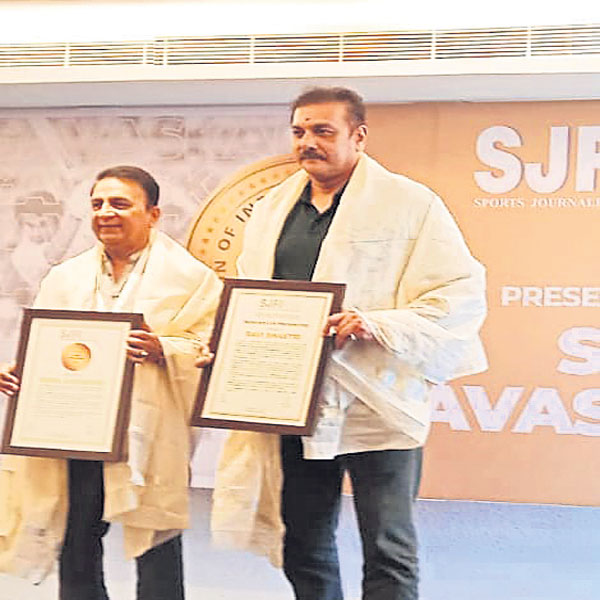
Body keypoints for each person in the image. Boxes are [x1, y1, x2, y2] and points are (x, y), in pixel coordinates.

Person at [209, 87, 488, 600]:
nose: (307, 142)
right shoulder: (272, 208)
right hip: (295, 402)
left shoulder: (411, 204)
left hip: (378, 400)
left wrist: (375, 323)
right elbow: (251, 296)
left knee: (388, 545)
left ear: (358, 136)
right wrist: (230, 350)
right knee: (303, 539)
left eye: (323, 131)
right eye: (299, 131)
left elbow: (459, 294)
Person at [0, 165, 222, 600]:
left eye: (120, 203)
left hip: (149, 431)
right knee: (76, 540)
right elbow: (48, 347)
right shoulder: (65, 276)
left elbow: (211, 347)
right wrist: (19, 370)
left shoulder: (191, 278)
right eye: (98, 203)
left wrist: (163, 349)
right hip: (77, 431)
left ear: (153, 214)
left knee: (157, 542)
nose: (106, 212)